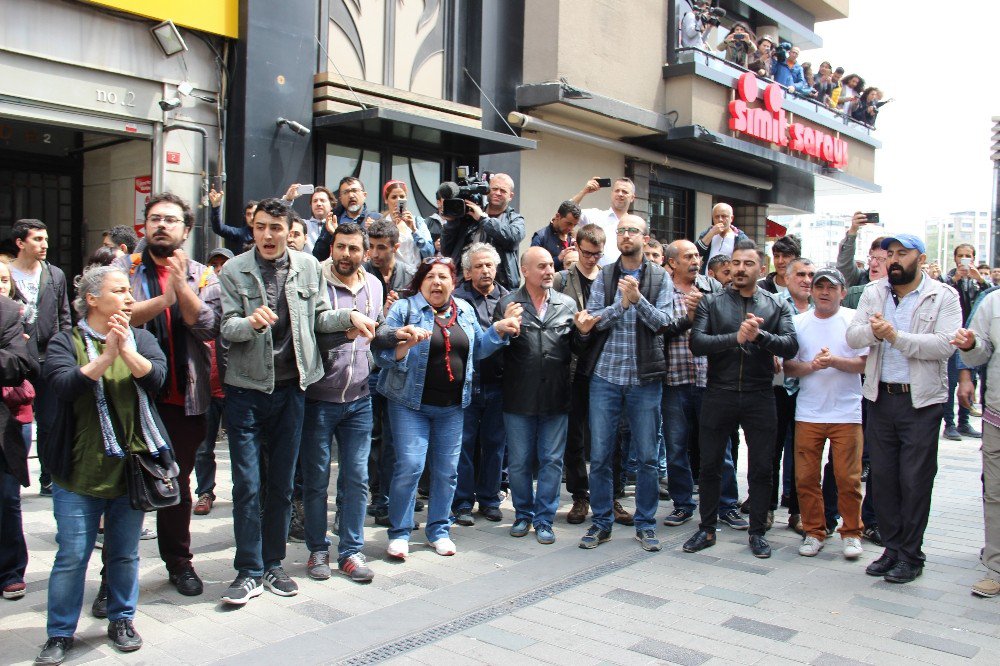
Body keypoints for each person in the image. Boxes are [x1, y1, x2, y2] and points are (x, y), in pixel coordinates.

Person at [216, 197, 377, 606]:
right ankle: (248, 570)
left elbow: (320, 317)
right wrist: (249, 323)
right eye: (260, 227)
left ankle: (273, 565)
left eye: (276, 228)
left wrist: (348, 320)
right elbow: (226, 327)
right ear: (252, 230)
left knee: (283, 485)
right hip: (246, 391)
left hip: (293, 390)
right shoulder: (235, 269)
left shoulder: (307, 265)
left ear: (290, 230)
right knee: (248, 485)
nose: (268, 235)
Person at [36, 266, 170, 663]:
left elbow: (157, 379)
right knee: (72, 554)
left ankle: (122, 620)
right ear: (92, 299)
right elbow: (62, 384)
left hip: (131, 470)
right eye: (119, 291)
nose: (130, 298)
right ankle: (60, 633)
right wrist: (103, 357)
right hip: (78, 472)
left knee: (125, 553)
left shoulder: (143, 337)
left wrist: (126, 351)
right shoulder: (66, 341)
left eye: (130, 291)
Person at [374, 258, 520, 560]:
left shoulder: (463, 310)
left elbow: (478, 349)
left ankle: (439, 529)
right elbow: (383, 356)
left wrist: (498, 330)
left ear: (453, 283)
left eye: (443, 277)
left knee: (447, 472)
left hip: (453, 406)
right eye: (430, 277)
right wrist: (406, 343)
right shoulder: (405, 309)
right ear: (421, 281)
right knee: (410, 466)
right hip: (409, 404)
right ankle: (400, 532)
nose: (437, 282)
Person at [112, 193, 221, 598]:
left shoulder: (202, 274)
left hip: (184, 400)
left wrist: (180, 286)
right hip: (129, 397)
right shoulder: (123, 268)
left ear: (186, 230)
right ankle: (114, 578)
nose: (162, 225)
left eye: (171, 220)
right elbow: (114, 317)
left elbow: (207, 326)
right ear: (144, 225)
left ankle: (179, 563)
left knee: (177, 485)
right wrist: (163, 300)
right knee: (123, 487)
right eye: (155, 218)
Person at [847, 234, 961, 584]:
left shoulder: (943, 295)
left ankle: (912, 554)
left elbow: (944, 345)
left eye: (902, 254)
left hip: (921, 402)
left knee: (915, 480)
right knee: (883, 479)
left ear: (920, 259)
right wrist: (875, 333)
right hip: (880, 397)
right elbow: (852, 337)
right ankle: (892, 548)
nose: (894, 260)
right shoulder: (874, 291)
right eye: (890, 254)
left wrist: (895, 336)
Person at [684, 239, 798, 559]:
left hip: (760, 393)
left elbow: (791, 345)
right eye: (735, 263)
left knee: (762, 467)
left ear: (761, 270)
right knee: (709, 465)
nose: (739, 269)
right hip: (718, 391)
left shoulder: (776, 304)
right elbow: (698, 343)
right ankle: (706, 528)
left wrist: (759, 336)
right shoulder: (712, 302)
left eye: (747, 264)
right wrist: (736, 337)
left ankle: (758, 531)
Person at [577, 214, 676, 553]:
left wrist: (639, 300)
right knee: (601, 455)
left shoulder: (660, 276)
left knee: (648, 457)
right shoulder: (606, 274)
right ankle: (601, 522)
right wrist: (620, 306)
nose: (625, 235)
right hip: (605, 377)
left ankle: (645, 524)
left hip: (644, 379)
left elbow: (665, 322)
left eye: (632, 230)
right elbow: (592, 320)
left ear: (645, 238)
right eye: (620, 230)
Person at [300, 222, 384, 584]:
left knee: (356, 478)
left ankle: (351, 551)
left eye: (353, 248)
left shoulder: (375, 286)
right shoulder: (314, 280)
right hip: (319, 397)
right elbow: (312, 326)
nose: (346, 255)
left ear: (365, 252)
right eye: (340, 247)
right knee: (317, 479)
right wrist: (346, 324)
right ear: (331, 247)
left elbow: (375, 333)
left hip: (360, 399)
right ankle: (318, 549)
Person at [500, 247, 592, 544]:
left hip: (556, 396)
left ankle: (544, 519)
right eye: (542, 266)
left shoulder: (566, 303)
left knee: (552, 461)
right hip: (519, 397)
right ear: (525, 271)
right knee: (519, 461)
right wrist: (503, 329)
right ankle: (522, 514)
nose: (549, 271)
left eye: (551, 265)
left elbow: (578, 349)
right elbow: (493, 353)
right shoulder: (508, 303)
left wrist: (583, 333)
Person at [659, 240, 746, 531]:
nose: (695, 260)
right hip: (674, 380)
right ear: (672, 263)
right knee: (676, 447)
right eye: (688, 256)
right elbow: (659, 331)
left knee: (719, 447)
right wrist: (689, 319)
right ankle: (683, 504)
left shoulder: (714, 290)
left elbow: (727, 329)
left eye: (697, 255)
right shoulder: (662, 292)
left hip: (710, 380)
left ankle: (727, 505)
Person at [783, 268, 867, 559]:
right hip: (809, 411)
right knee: (805, 478)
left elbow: (862, 364)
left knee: (848, 477)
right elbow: (789, 367)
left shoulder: (854, 319)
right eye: (819, 286)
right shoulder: (797, 322)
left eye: (831, 287)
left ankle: (852, 532)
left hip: (847, 411)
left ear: (842, 292)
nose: (824, 292)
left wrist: (835, 361)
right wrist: (813, 366)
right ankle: (814, 530)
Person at [9, 219, 71, 497]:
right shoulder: (5, 273)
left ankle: (48, 476)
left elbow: (64, 315)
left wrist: (65, 347)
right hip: (14, 358)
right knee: (15, 421)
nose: (44, 244)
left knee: (50, 422)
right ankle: (12, 474)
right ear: (20, 243)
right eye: (37, 239)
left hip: (47, 357)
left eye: (46, 239)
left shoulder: (54, 274)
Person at [552, 224, 608, 525]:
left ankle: (607, 496)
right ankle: (579, 495)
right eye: (586, 253)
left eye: (596, 254)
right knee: (574, 435)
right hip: (572, 366)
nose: (590, 259)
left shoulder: (609, 277)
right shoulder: (562, 279)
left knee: (605, 434)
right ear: (577, 246)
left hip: (604, 365)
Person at [451, 243, 510, 526]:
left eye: (489, 265)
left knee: (495, 444)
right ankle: (462, 502)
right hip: (466, 384)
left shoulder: (509, 300)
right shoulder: (456, 300)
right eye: (478, 266)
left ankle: (489, 499)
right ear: (467, 272)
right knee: (463, 445)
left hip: (499, 383)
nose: (485, 270)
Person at [955, 290, 1000, 597]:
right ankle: (996, 567)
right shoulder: (993, 302)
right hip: (997, 412)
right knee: (995, 494)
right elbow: (979, 352)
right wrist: (970, 346)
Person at [0, 268, 38, 603]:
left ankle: (11, 570)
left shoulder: (8, 312)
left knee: (6, 500)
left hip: (3, 426)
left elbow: (17, 363)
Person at [193, 248, 234, 517]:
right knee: (203, 446)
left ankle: (243, 492)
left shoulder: (235, 304)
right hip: (204, 388)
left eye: (223, 265)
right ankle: (205, 491)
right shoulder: (200, 304)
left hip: (232, 387)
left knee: (241, 445)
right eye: (214, 265)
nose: (218, 270)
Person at [441, 174, 525, 290]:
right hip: (465, 285)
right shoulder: (469, 216)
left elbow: (512, 238)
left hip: (501, 286)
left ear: (510, 196)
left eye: (503, 191)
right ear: (487, 191)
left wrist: (483, 219)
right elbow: (446, 250)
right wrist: (451, 223)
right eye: (494, 189)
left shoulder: (515, 219)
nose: (498, 193)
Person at [943, 243, 986, 441]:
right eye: (960, 255)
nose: (964, 259)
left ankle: (964, 421)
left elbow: (986, 298)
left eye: (968, 255)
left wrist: (979, 279)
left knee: (971, 380)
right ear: (955, 258)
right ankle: (950, 424)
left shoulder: (977, 280)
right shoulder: (949, 278)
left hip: (972, 337)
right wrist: (956, 279)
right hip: (952, 337)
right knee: (951, 382)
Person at [311, 177, 384, 260]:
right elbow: (318, 255)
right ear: (340, 199)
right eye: (346, 192)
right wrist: (331, 234)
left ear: (364, 195)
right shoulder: (333, 218)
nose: (351, 195)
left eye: (354, 191)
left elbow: (382, 253)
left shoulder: (376, 219)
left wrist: (373, 233)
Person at [569, 177, 636, 266]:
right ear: (611, 194)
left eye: (625, 192)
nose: (620, 194)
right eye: (617, 191)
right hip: (596, 277)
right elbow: (568, 211)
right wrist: (584, 192)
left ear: (632, 198)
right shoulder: (595, 216)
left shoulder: (635, 224)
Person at [380, 180, 434, 268]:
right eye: (394, 197)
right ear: (386, 200)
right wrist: (392, 226)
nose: (398, 200)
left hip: (415, 275)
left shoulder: (417, 221)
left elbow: (429, 253)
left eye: (402, 196)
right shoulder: (382, 223)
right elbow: (379, 253)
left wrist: (414, 230)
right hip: (394, 274)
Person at [281, 184, 335, 253]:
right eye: (315, 201)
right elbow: (280, 217)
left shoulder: (337, 226)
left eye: (322, 200)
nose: (318, 204)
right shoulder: (302, 225)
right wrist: (288, 199)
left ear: (331, 205)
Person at [530, 201, 581, 273]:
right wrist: (558, 259)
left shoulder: (573, 238)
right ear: (557, 216)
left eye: (574, 225)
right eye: (568, 223)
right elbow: (533, 266)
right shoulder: (540, 237)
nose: (571, 228)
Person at [696, 203, 748, 269]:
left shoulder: (740, 237)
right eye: (717, 217)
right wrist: (711, 233)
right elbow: (697, 252)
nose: (720, 220)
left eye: (724, 216)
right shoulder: (707, 233)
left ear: (731, 218)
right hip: (707, 278)